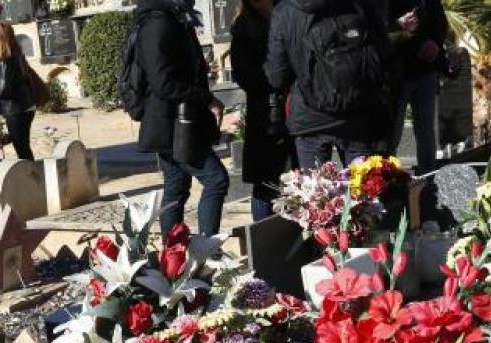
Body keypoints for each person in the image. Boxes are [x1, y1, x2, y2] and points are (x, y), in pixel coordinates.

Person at [133, 0, 230, 237]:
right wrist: (206, 99)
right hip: (172, 124)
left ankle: (173, 257)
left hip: (178, 121)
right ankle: (207, 251)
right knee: (216, 180)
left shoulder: (172, 19)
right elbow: (163, 82)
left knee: (176, 188)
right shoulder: (158, 23)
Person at [266, 0, 393, 167]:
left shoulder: (285, 11)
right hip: (358, 114)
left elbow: (277, 76)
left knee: (315, 189)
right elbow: (385, 51)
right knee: (362, 188)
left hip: (310, 116)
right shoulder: (361, 4)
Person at [231, 0, 294, 221]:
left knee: (295, 178)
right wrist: (272, 81)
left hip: (292, 106)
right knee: (265, 182)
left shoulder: (286, 14)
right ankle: (262, 234)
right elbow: (241, 72)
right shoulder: (244, 25)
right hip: (264, 112)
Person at [387, 0, 447, 174]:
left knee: (426, 130)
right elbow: (380, 31)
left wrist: (435, 42)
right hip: (397, 74)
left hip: (425, 70)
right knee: (393, 133)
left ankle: (428, 177)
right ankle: (388, 180)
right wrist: (400, 26)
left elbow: (440, 21)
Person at [0, 22, 36, 160]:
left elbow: (3, 91)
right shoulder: (17, 55)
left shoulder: (5, 62)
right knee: (24, 147)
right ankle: (32, 176)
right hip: (26, 106)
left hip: (16, 110)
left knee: (22, 149)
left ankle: (32, 177)